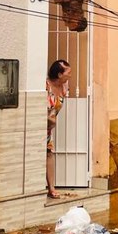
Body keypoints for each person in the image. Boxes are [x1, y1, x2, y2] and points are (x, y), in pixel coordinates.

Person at [47, 59, 72, 199]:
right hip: (39, 127)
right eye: (68, 73)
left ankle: (51, 187)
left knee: (49, 153)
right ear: (59, 74)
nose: (70, 75)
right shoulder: (46, 86)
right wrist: (49, 119)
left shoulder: (64, 87)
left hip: (49, 128)